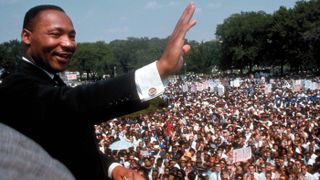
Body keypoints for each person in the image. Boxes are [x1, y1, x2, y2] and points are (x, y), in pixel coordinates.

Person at [0, 2, 196, 180]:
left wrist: (113, 168)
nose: (68, 44)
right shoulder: (16, 88)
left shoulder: (51, 81)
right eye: (55, 34)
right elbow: (73, 104)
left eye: (72, 36)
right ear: (27, 36)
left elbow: (69, 148)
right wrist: (160, 69)